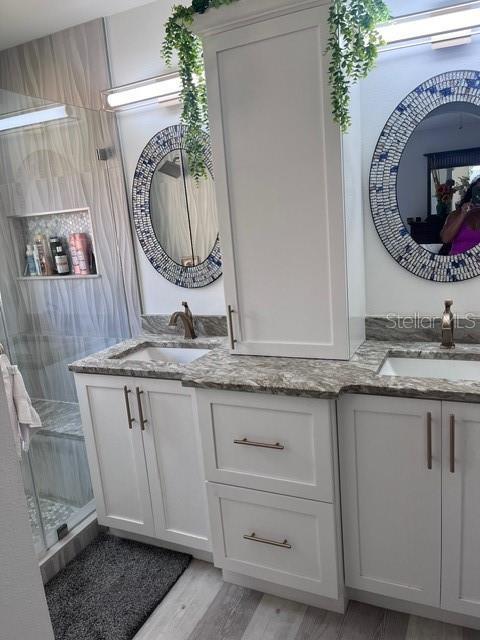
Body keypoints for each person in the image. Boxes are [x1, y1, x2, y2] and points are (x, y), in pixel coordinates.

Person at [441, 177, 480, 255]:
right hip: (457, 262)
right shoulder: (456, 214)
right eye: (478, 190)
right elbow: (445, 239)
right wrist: (462, 214)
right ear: (472, 192)